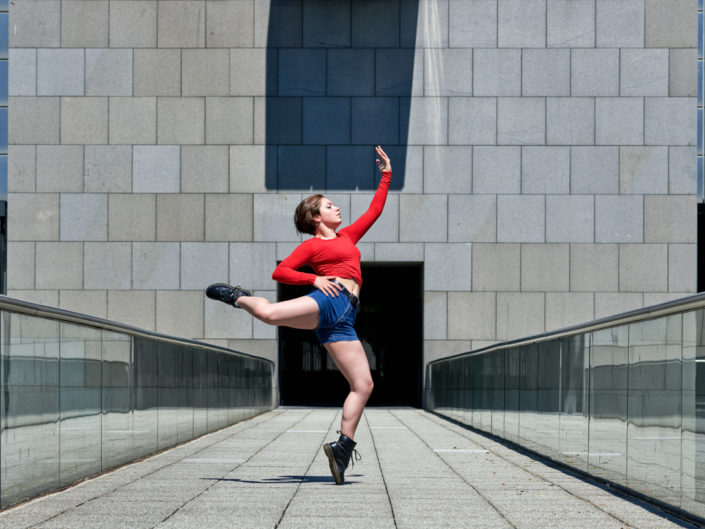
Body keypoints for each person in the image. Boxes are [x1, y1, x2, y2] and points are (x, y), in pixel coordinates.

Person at [206, 145, 392, 485]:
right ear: (316, 218)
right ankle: (239, 298)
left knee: (363, 384)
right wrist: (315, 278)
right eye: (329, 206)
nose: (338, 208)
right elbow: (283, 273)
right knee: (271, 315)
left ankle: (342, 448)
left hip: (345, 316)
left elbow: (374, 211)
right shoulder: (312, 246)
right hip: (328, 299)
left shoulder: (348, 236)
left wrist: (386, 175)